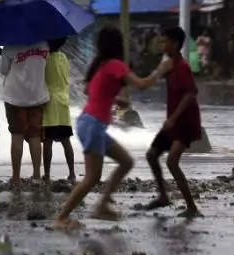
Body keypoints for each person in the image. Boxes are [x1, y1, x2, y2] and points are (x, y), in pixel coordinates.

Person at [53, 26, 165, 229]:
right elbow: (142, 84)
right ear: (118, 44)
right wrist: (161, 69)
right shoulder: (115, 64)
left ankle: (102, 205)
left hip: (88, 122)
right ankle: (61, 218)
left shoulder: (100, 65)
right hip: (93, 125)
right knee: (92, 177)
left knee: (126, 161)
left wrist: (114, 99)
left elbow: (91, 90)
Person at [143, 27, 202, 218]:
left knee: (172, 161)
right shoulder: (169, 64)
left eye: (165, 42)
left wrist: (173, 118)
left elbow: (191, 94)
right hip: (172, 122)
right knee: (152, 155)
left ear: (175, 44)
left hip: (184, 122)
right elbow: (150, 79)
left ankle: (192, 207)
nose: (162, 45)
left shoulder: (182, 66)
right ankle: (163, 196)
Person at [0, 40, 49, 187]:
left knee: (17, 135)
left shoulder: (10, 45)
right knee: (35, 135)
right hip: (37, 96)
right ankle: (36, 176)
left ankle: (15, 178)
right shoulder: (43, 44)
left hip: (15, 97)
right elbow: (42, 65)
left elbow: (3, 70)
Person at [42, 37, 75, 184]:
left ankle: (47, 175)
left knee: (47, 141)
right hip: (63, 101)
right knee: (65, 140)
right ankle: (72, 173)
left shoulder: (46, 59)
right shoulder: (64, 58)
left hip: (50, 102)